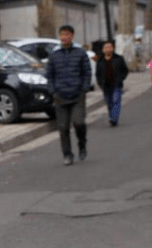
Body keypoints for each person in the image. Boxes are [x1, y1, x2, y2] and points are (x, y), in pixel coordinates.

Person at [45, 24, 93, 165]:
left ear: (72, 36)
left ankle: (82, 144)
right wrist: (52, 91)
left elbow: (87, 72)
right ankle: (67, 154)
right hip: (60, 96)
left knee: (79, 123)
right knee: (63, 127)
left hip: (77, 95)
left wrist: (84, 88)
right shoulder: (54, 54)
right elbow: (49, 75)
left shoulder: (80, 52)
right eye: (62, 35)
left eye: (67, 34)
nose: (64, 37)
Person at [95, 39, 130, 125]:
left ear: (113, 48)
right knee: (109, 103)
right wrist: (100, 83)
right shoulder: (100, 61)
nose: (108, 49)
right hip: (105, 86)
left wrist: (121, 78)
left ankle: (114, 119)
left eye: (110, 47)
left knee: (116, 101)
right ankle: (112, 116)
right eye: (106, 47)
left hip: (116, 84)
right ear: (103, 50)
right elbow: (97, 74)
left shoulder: (119, 58)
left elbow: (125, 70)